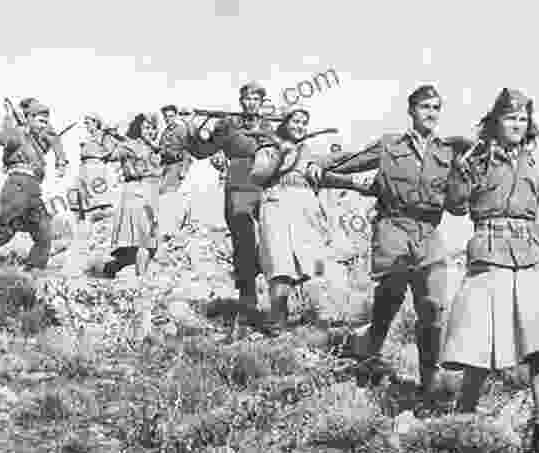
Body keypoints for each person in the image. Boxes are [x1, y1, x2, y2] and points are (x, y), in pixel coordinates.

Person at [313, 85, 468, 402]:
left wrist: (462, 176)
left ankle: (428, 382)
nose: (431, 113)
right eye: (425, 107)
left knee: (433, 308)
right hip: (393, 229)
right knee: (390, 300)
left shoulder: (448, 152)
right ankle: (369, 355)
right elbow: (351, 162)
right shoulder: (389, 145)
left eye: (436, 107)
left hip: (428, 234)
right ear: (411, 111)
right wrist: (321, 165)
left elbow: (458, 207)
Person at [440, 88, 539, 453]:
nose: (518, 123)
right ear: (495, 122)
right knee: (479, 346)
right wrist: (461, 173)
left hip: (528, 253)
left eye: (523, 118)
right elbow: (455, 206)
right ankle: (462, 424)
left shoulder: (530, 159)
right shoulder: (476, 157)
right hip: (489, 250)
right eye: (511, 117)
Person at [186, 81, 276, 335]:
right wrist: (195, 129)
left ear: (262, 103)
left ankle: (277, 304)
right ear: (242, 101)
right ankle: (248, 302)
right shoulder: (228, 125)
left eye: (257, 99)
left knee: (272, 239)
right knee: (243, 243)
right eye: (247, 98)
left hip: (266, 187)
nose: (251, 103)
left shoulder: (270, 128)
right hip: (237, 187)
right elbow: (202, 150)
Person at [249, 107, 332, 335]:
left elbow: (320, 170)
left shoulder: (308, 150)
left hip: (305, 207)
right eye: (295, 121)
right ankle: (277, 320)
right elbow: (257, 176)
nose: (299, 126)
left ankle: (316, 318)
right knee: (279, 263)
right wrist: (279, 156)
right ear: (284, 123)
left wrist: (317, 166)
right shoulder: (268, 147)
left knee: (312, 263)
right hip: (276, 204)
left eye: (303, 123)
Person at [87, 113, 162, 279]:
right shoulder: (130, 146)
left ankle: (111, 269)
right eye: (146, 128)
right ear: (139, 130)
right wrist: (105, 135)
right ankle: (140, 282)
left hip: (151, 192)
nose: (150, 131)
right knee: (146, 241)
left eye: (153, 128)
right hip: (137, 192)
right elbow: (108, 155)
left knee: (142, 243)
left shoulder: (155, 149)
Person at [0, 98, 69, 270]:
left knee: (44, 233)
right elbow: (4, 138)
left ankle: (33, 270)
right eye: (41, 121)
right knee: (4, 230)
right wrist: (9, 118)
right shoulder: (18, 133)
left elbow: (53, 138)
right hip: (17, 186)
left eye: (46, 121)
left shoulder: (38, 138)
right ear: (28, 118)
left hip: (33, 190)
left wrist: (61, 162)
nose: (45, 124)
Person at [159, 104, 193, 194]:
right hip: (165, 166)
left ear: (175, 116)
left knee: (169, 194)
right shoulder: (165, 132)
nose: (168, 119)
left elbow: (188, 150)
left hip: (176, 166)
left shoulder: (181, 130)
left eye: (171, 116)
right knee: (162, 192)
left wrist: (183, 170)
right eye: (165, 117)